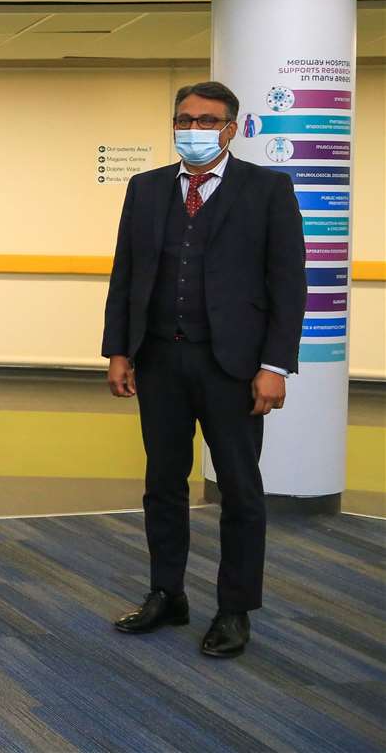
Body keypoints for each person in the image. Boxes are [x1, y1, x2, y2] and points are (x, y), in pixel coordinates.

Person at [102, 81, 304, 659]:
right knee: (162, 484)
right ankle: (168, 593)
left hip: (234, 369)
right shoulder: (145, 189)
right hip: (159, 360)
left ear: (231, 128)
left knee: (240, 491)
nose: (194, 128)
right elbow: (126, 276)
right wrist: (119, 349)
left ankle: (235, 609)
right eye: (184, 118)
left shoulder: (267, 190)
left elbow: (288, 285)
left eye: (208, 120)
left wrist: (274, 366)